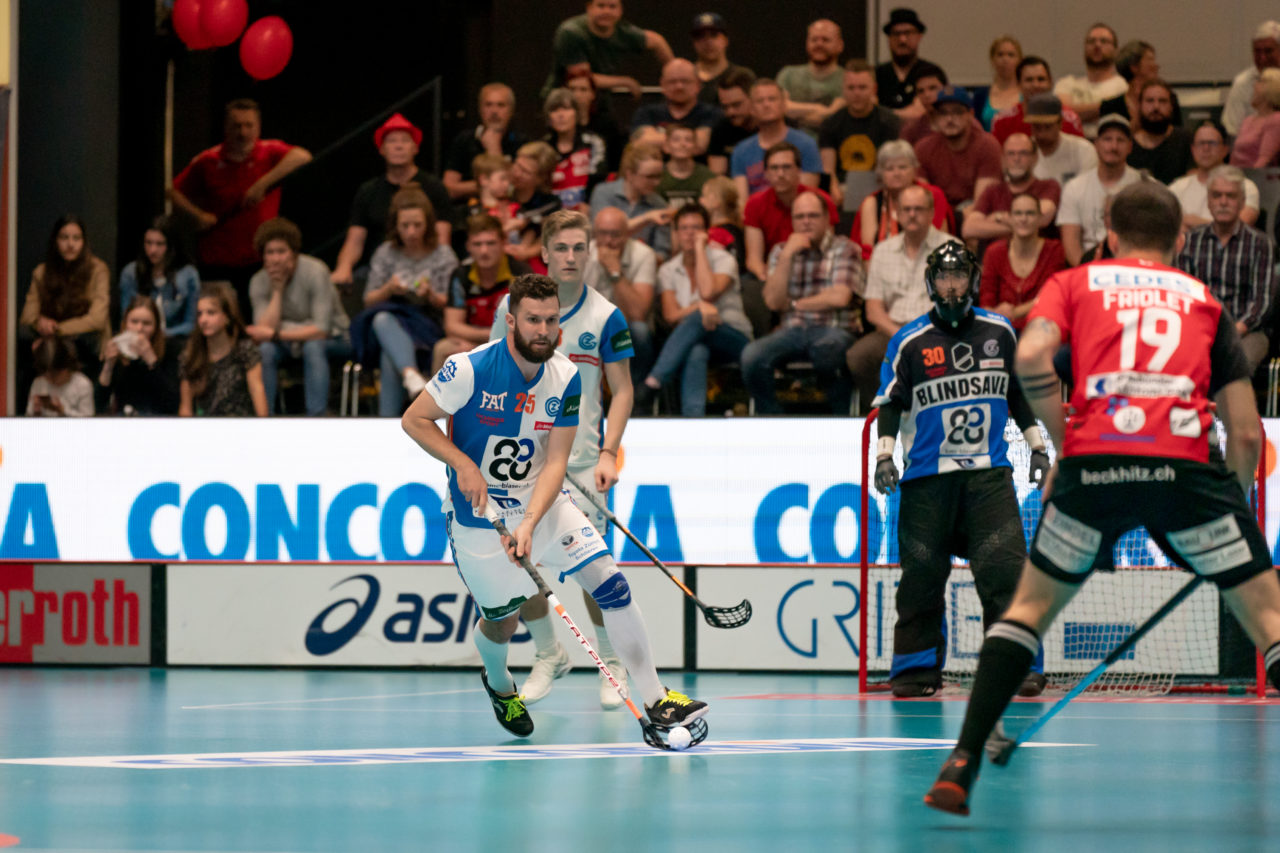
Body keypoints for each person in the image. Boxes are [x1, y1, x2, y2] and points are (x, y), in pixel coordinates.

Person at [925, 180, 1280, 817]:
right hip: (1189, 474)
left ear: (1109, 233)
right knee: (1271, 625)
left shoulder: (1077, 282)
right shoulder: (1204, 301)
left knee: (1028, 611)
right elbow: (1247, 432)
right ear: (1179, 241)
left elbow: (1031, 358)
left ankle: (963, 758)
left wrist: (1069, 446)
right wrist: (1235, 515)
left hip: (1096, 469)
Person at [403, 270, 705, 738]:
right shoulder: (469, 368)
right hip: (478, 520)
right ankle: (500, 684)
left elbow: (555, 463)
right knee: (500, 624)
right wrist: (461, 463)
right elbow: (415, 420)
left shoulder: (566, 376)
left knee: (610, 581)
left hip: (542, 504)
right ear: (511, 322)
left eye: (550, 321)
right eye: (532, 321)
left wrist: (529, 521)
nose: (542, 331)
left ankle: (656, 698)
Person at [873, 241, 1049, 697]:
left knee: (1005, 572)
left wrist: (1038, 449)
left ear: (973, 280)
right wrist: (884, 457)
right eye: (944, 278)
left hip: (989, 479)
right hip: (926, 483)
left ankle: (1017, 665)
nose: (952, 286)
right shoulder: (909, 340)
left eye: (960, 276)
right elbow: (890, 403)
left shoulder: (1001, 331)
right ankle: (914, 671)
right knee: (921, 579)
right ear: (931, 283)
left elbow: (1018, 396)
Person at [487, 211, 639, 709]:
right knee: (521, 565)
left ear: (589, 252)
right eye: (563, 248)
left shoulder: (606, 316)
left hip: (582, 462)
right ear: (546, 254)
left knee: (594, 570)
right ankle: (549, 653)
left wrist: (611, 451)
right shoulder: (514, 311)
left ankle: (611, 660)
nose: (571, 257)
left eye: (580, 247)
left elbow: (623, 391)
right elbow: (491, 377)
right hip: (524, 463)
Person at [169, 98, 311, 317]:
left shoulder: (269, 152)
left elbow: (302, 156)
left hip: (259, 259)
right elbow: (172, 190)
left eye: (249, 125)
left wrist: (262, 184)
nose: (243, 132)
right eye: (237, 126)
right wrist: (197, 215)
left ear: (258, 127)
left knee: (259, 317)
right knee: (216, 317)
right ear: (226, 127)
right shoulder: (208, 160)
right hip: (217, 259)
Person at [741, 191, 861, 415]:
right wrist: (787, 256)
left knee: (828, 349)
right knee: (751, 356)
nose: (806, 222)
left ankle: (837, 418)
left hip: (833, 330)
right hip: (791, 331)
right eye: (800, 217)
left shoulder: (845, 249)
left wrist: (794, 304)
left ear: (827, 219)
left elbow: (840, 297)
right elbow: (773, 302)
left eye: (813, 216)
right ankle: (773, 420)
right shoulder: (780, 251)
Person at [351, 186, 459, 417]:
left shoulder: (443, 254)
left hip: (428, 325)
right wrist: (388, 289)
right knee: (382, 318)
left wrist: (430, 295)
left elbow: (453, 303)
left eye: (417, 225)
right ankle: (411, 378)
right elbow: (368, 300)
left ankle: (390, 415)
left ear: (428, 224)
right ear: (395, 226)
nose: (411, 232)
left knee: (390, 356)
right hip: (391, 319)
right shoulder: (385, 252)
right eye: (405, 226)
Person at [847, 184, 951, 412]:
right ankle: (881, 412)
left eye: (919, 209)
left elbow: (953, 307)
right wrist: (902, 336)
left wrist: (919, 337)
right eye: (906, 209)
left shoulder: (949, 250)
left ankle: (930, 415)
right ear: (897, 213)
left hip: (936, 332)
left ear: (932, 213)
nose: (912, 215)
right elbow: (873, 310)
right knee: (859, 356)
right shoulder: (883, 250)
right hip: (891, 331)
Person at [644, 202, 752, 415]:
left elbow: (708, 292)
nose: (690, 234)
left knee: (697, 319)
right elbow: (671, 315)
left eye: (696, 228)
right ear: (675, 233)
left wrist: (701, 251)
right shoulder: (668, 270)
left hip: (733, 338)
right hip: (693, 340)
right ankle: (693, 420)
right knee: (696, 349)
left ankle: (652, 382)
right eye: (684, 228)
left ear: (706, 232)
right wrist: (700, 307)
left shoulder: (724, 260)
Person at [333, 114, 452, 294]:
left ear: (415, 148)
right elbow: (355, 239)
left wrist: (430, 274)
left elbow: (442, 239)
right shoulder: (368, 191)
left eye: (405, 141)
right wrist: (344, 266)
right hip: (380, 269)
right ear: (381, 149)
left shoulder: (434, 188)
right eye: (391, 141)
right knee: (354, 282)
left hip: (424, 265)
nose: (398, 146)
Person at [246, 218, 350, 417]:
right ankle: (264, 417)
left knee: (313, 346)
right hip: (289, 341)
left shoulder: (315, 271)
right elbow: (262, 334)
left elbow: (321, 329)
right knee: (265, 350)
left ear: (293, 252)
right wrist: (277, 290)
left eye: (281, 251)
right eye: (270, 252)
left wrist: (276, 334)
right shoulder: (258, 281)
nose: (276, 259)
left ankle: (316, 416)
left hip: (336, 337)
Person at [1176, 166, 1276, 374]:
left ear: (1241, 202)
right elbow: (1183, 294)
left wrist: (1233, 331)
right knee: (1181, 361)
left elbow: (1262, 302)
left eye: (1230, 196)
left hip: (1248, 331)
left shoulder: (1260, 243)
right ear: (1209, 201)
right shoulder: (1191, 241)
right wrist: (1204, 332)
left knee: (1236, 367)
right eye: (1216, 195)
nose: (1223, 201)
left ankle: (1232, 408)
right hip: (1199, 329)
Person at [18, 215, 111, 401]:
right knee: (25, 344)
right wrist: (40, 323)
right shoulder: (42, 272)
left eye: (76, 238)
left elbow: (97, 319)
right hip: (52, 349)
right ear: (55, 240)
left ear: (84, 242)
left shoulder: (97, 269)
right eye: (64, 237)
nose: (70, 244)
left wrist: (56, 329)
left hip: (87, 345)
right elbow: (27, 318)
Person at [436, 215, 530, 373]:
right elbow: (452, 326)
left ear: (503, 243)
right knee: (443, 349)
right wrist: (479, 346)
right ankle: (438, 398)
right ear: (468, 246)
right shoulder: (461, 276)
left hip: (511, 345)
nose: (484, 251)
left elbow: (526, 328)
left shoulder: (521, 274)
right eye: (477, 244)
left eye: (490, 243)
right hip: (472, 343)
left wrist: (483, 347)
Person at [583, 206, 657, 389]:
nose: (608, 241)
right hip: (590, 326)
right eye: (603, 234)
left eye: (615, 234)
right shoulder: (582, 254)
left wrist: (615, 272)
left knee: (640, 330)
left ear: (627, 234)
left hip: (627, 327)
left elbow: (638, 313)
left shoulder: (643, 254)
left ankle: (637, 396)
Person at [743, 142, 840, 281]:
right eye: (774, 168)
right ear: (766, 174)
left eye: (786, 167)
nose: (780, 174)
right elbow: (753, 260)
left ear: (799, 171)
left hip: (815, 270)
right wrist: (770, 280)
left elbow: (828, 250)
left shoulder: (821, 200)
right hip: (772, 271)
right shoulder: (755, 203)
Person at [542, 0, 674, 102]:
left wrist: (674, 76)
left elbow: (657, 41)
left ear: (620, 10)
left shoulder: (621, 31)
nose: (606, 11)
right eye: (601, 5)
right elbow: (582, 78)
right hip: (565, 101)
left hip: (599, 100)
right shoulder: (571, 33)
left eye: (612, 6)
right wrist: (625, 81)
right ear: (589, 7)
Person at [1057, 114, 1143, 266]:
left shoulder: (1143, 186)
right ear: (1096, 144)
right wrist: (1087, 275)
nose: (1113, 146)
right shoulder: (1075, 187)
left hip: (1130, 265)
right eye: (1107, 139)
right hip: (1087, 265)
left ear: (1130, 146)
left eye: (1120, 140)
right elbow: (1071, 245)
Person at [819, 59, 903, 209]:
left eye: (862, 87)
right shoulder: (830, 124)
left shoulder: (890, 122)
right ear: (843, 90)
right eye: (851, 88)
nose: (856, 93)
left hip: (880, 186)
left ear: (874, 89)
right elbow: (828, 169)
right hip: (842, 191)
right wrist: (834, 189)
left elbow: (893, 166)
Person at [851, 139, 953, 261]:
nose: (897, 173)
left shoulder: (932, 196)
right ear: (880, 173)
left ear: (915, 169)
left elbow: (940, 244)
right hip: (880, 267)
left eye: (903, 167)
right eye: (890, 169)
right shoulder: (871, 202)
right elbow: (867, 253)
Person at [179, 282, 268, 417]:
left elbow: (257, 390)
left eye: (211, 313)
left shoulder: (245, 351)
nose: (203, 319)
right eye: (199, 314)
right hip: (206, 429)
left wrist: (264, 429)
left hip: (242, 426)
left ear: (227, 317)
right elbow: (185, 408)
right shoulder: (190, 355)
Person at [979, 194, 1067, 331]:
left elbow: (1050, 295)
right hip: (1001, 329)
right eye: (1018, 213)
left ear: (1040, 218)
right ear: (1010, 218)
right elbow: (986, 297)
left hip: (1042, 328)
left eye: (1030, 213)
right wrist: (995, 316)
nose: (1023, 219)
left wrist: (1014, 313)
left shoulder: (1054, 250)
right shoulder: (994, 252)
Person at [913, 86, 1003, 214]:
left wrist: (953, 220)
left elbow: (983, 204)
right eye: (943, 113)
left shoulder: (988, 145)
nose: (949, 119)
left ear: (970, 115)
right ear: (935, 117)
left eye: (957, 112)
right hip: (937, 217)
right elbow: (922, 198)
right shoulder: (923, 148)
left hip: (976, 219)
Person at [731, 78, 822, 199]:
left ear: (784, 105)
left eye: (772, 99)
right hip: (757, 214)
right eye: (760, 101)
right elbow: (742, 202)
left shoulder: (806, 144)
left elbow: (806, 197)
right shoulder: (740, 151)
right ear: (752, 109)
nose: (766, 105)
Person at [962, 134, 1060, 243]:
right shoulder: (993, 190)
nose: (1016, 159)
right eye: (1011, 154)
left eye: (1023, 153)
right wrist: (1026, 225)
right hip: (996, 256)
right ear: (1003, 159)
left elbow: (1043, 219)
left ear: (1035, 158)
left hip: (1039, 255)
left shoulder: (1048, 186)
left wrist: (997, 217)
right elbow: (969, 228)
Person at [118, 216, 200, 345]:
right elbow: (126, 317)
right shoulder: (131, 272)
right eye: (148, 243)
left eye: (159, 244)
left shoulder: (187, 274)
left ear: (171, 245)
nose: (153, 250)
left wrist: (160, 335)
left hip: (176, 342)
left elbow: (191, 323)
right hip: (137, 340)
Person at [443, 84, 528, 202]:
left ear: (511, 111)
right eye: (488, 105)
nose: (494, 111)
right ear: (480, 109)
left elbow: (515, 189)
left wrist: (494, 149)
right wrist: (489, 184)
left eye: (501, 105)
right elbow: (449, 189)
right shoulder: (464, 140)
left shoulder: (522, 143)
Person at [588, 142, 672, 259]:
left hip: (642, 268)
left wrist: (643, 261)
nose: (656, 182)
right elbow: (601, 234)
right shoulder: (604, 193)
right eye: (649, 176)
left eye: (658, 176)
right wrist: (646, 218)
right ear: (630, 174)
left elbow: (662, 252)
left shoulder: (659, 204)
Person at [1169, 122, 1260, 228]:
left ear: (1225, 149)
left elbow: (1239, 227)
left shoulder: (1245, 186)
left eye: (1212, 143)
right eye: (1201, 143)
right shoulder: (1177, 188)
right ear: (1193, 150)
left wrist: (1193, 221)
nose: (1206, 148)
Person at [99, 296, 179, 415]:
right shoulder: (116, 346)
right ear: (126, 323)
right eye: (134, 322)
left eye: (146, 323)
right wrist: (108, 366)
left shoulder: (170, 349)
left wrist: (151, 359)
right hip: (125, 419)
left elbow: (172, 403)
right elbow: (99, 403)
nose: (139, 328)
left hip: (158, 419)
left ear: (156, 326)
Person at [631, 58, 721, 155]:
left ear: (698, 85)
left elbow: (700, 144)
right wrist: (688, 140)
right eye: (672, 81)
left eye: (685, 81)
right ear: (662, 84)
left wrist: (657, 138)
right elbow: (639, 142)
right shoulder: (647, 113)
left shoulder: (711, 113)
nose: (679, 86)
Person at [1053, 23, 1126, 137]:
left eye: (1104, 41)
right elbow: (1064, 115)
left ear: (1116, 49)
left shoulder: (1124, 86)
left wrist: (1080, 112)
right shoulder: (1066, 84)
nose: (1097, 45)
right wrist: (1110, 106)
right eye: (1091, 41)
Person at [991, 56, 1085, 144]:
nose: (1035, 85)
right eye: (1029, 80)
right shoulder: (1002, 121)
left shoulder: (1070, 120)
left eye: (1041, 79)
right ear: (1018, 84)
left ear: (1050, 83)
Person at [776, 19, 846, 133]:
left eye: (825, 40)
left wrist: (797, 115)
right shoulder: (788, 74)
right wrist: (818, 108)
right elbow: (779, 107)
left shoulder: (848, 78)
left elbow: (834, 116)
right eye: (814, 39)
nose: (819, 44)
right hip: (789, 146)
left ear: (840, 45)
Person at [543, 87, 607, 212]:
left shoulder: (594, 142)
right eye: (554, 110)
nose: (561, 115)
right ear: (548, 117)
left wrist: (588, 204)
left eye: (566, 109)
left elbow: (599, 179)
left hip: (587, 210)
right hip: (552, 212)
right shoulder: (543, 147)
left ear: (576, 113)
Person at [875, 8, 945, 119]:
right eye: (896, 34)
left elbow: (920, 113)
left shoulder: (931, 72)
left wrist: (880, 114)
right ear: (888, 38)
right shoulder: (877, 74)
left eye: (908, 33)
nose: (902, 39)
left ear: (919, 36)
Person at [1099, 41, 1183, 128]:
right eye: (1150, 59)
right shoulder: (1110, 107)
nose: (1156, 66)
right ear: (1134, 67)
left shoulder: (1169, 99)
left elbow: (1178, 134)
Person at [1125, 79, 1192, 184]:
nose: (1156, 107)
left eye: (1162, 101)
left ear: (1171, 106)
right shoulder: (1127, 144)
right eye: (1150, 101)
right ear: (1140, 105)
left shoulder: (1186, 140)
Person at [1025, 94, 1097, 187]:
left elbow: (1087, 191)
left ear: (1060, 123)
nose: (1042, 134)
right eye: (1037, 127)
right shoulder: (1021, 151)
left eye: (1048, 127)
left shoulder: (1083, 149)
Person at [1222, 21, 1280, 137]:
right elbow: (1233, 130)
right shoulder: (1243, 83)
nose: (1262, 58)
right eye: (1257, 51)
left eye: (1268, 51)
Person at [565, 68, 624, 174]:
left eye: (583, 89)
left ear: (593, 94)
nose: (577, 95)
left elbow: (617, 161)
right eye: (572, 89)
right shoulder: (561, 124)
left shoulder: (607, 124)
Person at [691, 12, 753, 104]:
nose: (708, 41)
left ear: (726, 40)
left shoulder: (742, 77)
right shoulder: (685, 79)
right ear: (694, 42)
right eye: (701, 36)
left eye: (714, 35)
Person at [707, 67, 758, 175]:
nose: (730, 112)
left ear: (754, 98)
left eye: (736, 105)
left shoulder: (772, 125)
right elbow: (717, 178)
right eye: (725, 107)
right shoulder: (721, 129)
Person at [26, 336, 93, 417]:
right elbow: (28, 418)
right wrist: (36, 411)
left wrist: (62, 410)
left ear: (67, 367)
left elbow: (88, 421)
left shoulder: (82, 384)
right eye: (47, 376)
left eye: (55, 375)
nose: (52, 379)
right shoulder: (39, 383)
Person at [1229, 68, 1280, 169]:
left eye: (1260, 81)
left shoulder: (1276, 120)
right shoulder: (1247, 120)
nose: (1254, 85)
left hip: (1257, 179)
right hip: (1237, 176)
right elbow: (1235, 156)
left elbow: (1264, 160)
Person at [658, 123, 715, 206]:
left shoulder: (707, 176)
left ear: (695, 147)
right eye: (676, 140)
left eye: (688, 140)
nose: (682, 144)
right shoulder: (657, 175)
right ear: (666, 146)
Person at [700, 175, 746, 269]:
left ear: (716, 202)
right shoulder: (737, 228)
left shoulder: (715, 233)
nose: (700, 200)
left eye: (704, 196)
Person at [979, 36, 1022, 130]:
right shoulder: (980, 95)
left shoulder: (1027, 94)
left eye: (1011, 55)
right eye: (1000, 55)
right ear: (992, 60)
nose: (1005, 60)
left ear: (1019, 60)